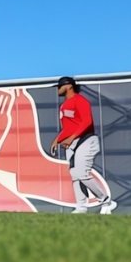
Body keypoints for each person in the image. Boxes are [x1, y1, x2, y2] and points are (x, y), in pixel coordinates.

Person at [49, 77, 116, 214]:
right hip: (72, 144)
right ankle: (81, 207)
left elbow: (87, 122)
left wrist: (72, 138)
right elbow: (68, 127)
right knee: (75, 175)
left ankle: (106, 201)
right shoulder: (64, 105)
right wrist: (57, 140)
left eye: (59, 86)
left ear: (68, 86)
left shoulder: (80, 100)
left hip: (86, 140)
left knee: (81, 173)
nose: (58, 89)